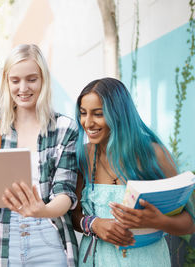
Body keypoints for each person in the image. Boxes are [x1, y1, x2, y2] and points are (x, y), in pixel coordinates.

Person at [71, 77, 195, 266]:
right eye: (83, 113)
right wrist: (94, 224)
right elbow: (73, 214)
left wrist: (158, 220)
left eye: (98, 114)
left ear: (118, 114)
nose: (87, 123)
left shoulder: (153, 154)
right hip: (96, 261)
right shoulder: (83, 156)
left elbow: (189, 222)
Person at [0, 44, 79, 267]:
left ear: (43, 80)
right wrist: (5, 194)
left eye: (32, 79)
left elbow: (65, 192)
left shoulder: (65, 128)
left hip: (48, 234)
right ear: (7, 82)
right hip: (3, 235)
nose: (23, 88)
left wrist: (42, 210)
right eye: (15, 80)